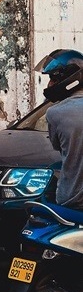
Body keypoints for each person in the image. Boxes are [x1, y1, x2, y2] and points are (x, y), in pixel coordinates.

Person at [40, 49, 83, 209]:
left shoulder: (54, 113)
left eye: (53, 78)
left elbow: (58, 146)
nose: (49, 85)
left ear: (70, 78)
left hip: (72, 200)